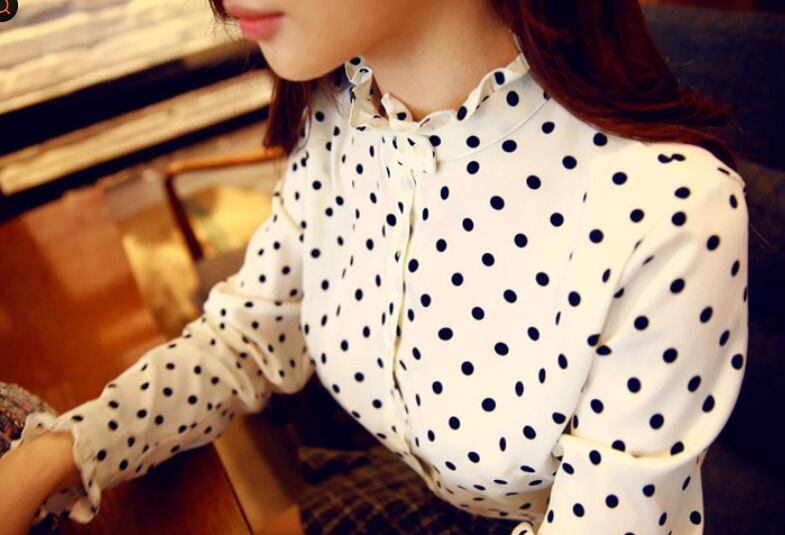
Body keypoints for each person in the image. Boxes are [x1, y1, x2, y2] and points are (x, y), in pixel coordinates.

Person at [0, 1, 750, 533]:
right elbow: (246, 336)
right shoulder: (342, 106)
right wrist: (54, 455)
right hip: (391, 481)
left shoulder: (669, 212)